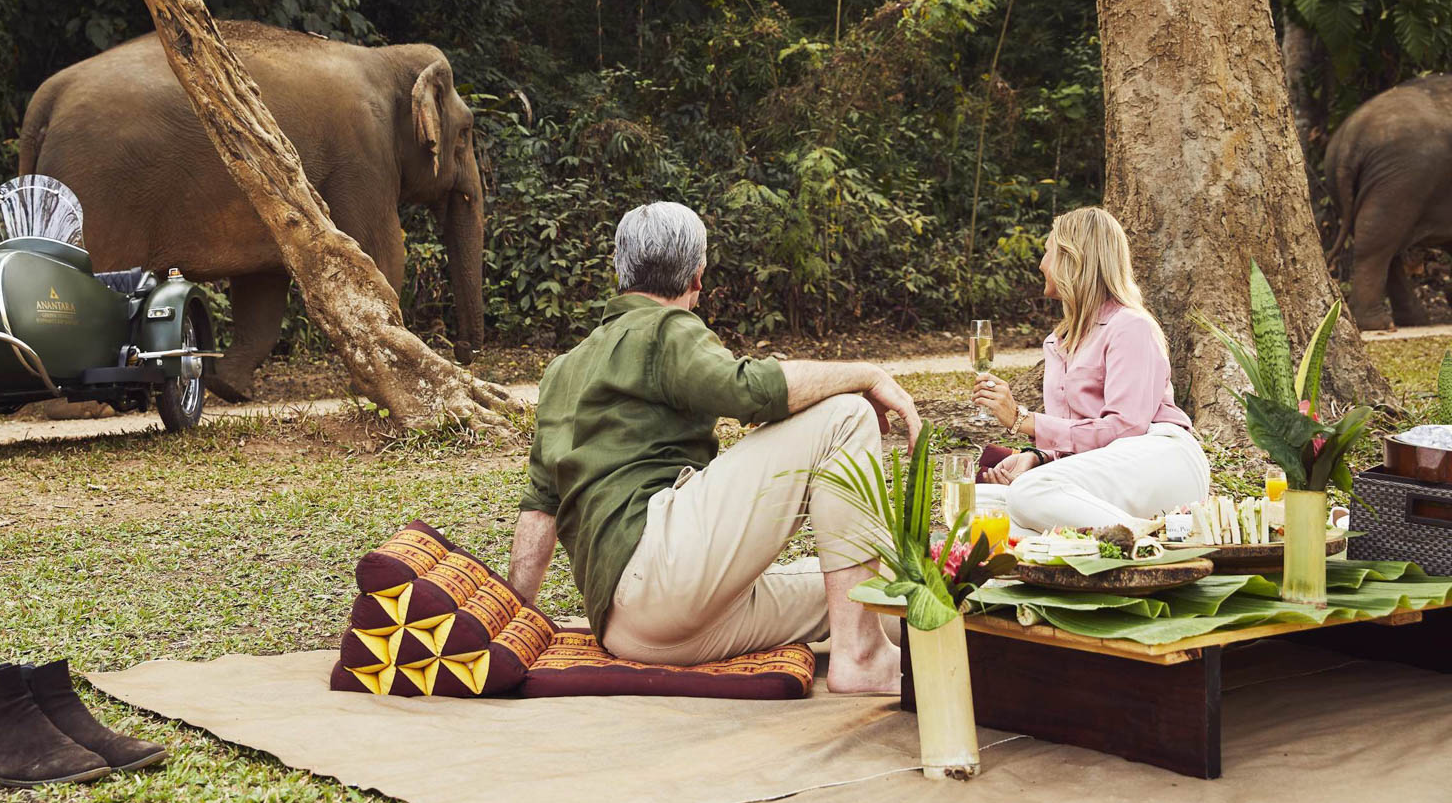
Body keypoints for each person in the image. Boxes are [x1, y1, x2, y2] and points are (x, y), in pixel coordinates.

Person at [506, 202, 920, 695]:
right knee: (845, 414)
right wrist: (867, 374)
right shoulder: (664, 328)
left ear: (619, 268)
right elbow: (747, 390)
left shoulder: (562, 370)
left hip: (631, 630)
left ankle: (903, 638)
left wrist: (514, 623)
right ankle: (862, 656)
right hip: (664, 575)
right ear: (698, 277)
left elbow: (539, 512)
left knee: (886, 588)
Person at [971, 206, 1209, 536]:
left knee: (1029, 493)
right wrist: (1039, 458)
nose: (1041, 264)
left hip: (1162, 458)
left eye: (1048, 251)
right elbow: (1081, 433)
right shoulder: (1058, 343)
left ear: (1074, 259)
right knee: (979, 505)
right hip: (1111, 471)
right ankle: (1118, 543)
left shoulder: (1131, 327)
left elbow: (1125, 429)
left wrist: (1021, 419)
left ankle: (1150, 541)